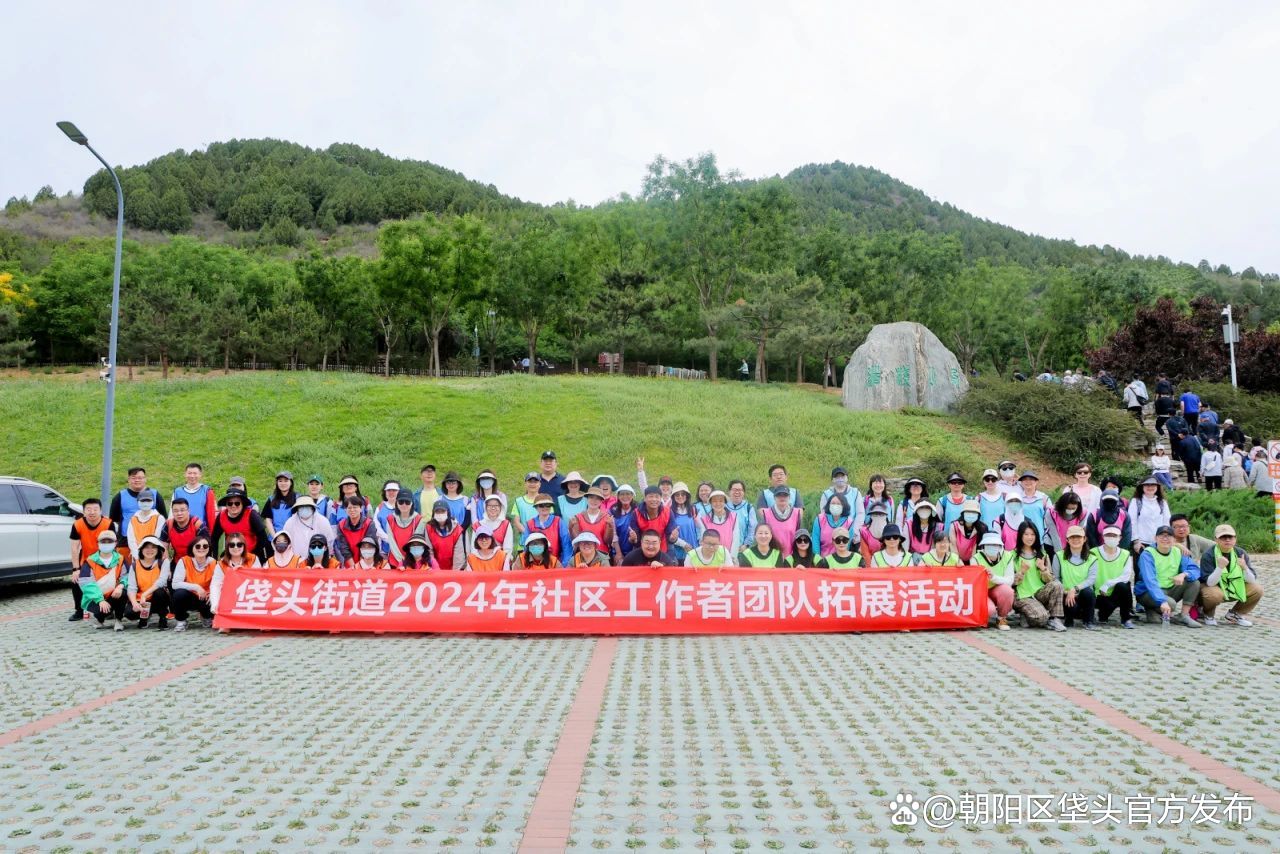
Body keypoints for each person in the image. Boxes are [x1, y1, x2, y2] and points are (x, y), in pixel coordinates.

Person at [1196, 524, 1263, 627]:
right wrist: (1220, 568)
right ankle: (1208, 615)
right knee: (1214, 595)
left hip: (1233, 587)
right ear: (1216, 539)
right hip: (1213, 587)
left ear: (1235, 539)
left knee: (1257, 589)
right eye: (1223, 537)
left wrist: (1245, 567)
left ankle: (1235, 614)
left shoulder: (1240, 553)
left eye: (1230, 537)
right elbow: (1209, 583)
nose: (1227, 540)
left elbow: (1252, 580)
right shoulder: (1209, 555)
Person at [1134, 525, 1201, 626]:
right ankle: (1152, 609)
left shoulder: (1178, 552)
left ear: (1174, 540)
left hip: (1170, 589)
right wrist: (1162, 601)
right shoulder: (1147, 554)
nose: (1165, 538)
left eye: (1169, 536)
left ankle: (1183, 615)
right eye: (1161, 535)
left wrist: (1184, 574)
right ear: (1155, 538)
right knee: (1171, 604)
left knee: (1194, 582)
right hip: (1148, 591)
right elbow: (1150, 581)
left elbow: (1195, 570)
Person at [1010, 522, 1066, 631]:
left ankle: (1055, 619)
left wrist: (1043, 568)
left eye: (1033, 534)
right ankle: (1027, 614)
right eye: (1026, 534)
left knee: (1057, 585)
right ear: (1020, 535)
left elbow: (1050, 580)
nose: (1030, 537)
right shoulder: (1012, 555)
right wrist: (1021, 572)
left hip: (1039, 593)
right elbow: (1011, 582)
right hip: (1022, 595)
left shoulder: (1042, 554)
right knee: (1041, 617)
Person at [68, 498, 117, 621]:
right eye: (88, 509)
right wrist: (75, 569)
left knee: (109, 581)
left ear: (100, 511)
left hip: (104, 559)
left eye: (95, 509)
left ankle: (109, 609)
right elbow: (74, 547)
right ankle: (79, 610)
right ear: (84, 511)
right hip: (86, 559)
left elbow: (113, 545)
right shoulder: (77, 524)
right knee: (76, 581)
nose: (92, 512)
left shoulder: (108, 524)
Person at [109, 467, 167, 559]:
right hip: (125, 540)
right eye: (133, 478)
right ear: (128, 479)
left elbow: (164, 518)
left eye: (140, 478)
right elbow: (113, 519)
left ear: (145, 479)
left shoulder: (155, 494)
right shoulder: (120, 496)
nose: (137, 480)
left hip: (151, 541)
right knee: (125, 566)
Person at [80, 530, 129, 630]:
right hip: (96, 598)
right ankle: (99, 619)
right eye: (103, 541)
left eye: (109, 541)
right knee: (100, 610)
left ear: (115, 543)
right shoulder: (90, 561)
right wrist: (100, 600)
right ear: (98, 543)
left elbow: (127, 576)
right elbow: (86, 583)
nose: (106, 544)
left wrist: (120, 586)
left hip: (114, 594)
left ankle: (118, 620)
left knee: (123, 593)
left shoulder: (121, 559)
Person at [1053, 526, 1098, 630]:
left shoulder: (1092, 558)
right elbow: (1056, 578)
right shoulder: (1058, 556)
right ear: (1067, 540)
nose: (1076, 540)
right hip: (1066, 595)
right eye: (1072, 537)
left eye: (1079, 537)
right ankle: (1068, 620)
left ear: (1084, 539)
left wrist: (1075, 589)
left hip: (1082, 594)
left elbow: (1091, 579)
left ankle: (1088, 621)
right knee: (1070, 604)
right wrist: (1065, 591)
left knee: (1089, 592)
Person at [1092, 525, 1135, 628]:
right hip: (1098, 593)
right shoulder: (1093, 552)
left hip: (1115, 592)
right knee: (1103, 611)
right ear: (1103, 536)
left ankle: (1126, 619)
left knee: (1124, 586)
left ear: (1120, 538)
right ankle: (1100, 614)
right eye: (1108, 535)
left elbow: (1126, 576)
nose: (1111, 538)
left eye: (1114, 535)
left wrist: (1107, 584)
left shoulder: (1125, 554)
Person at [171, 534, 217, 631]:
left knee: (214, 599)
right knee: (179, 594)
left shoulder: (214, 563)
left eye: (205, 546)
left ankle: (207, 617)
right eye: (198, 546)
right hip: (189, 596)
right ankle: (181, 620)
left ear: (209, 548)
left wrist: (213, 594)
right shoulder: (184, 561)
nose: (201, 548)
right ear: (192, 548)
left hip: (205, 597)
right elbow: (175, 584)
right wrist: (196, 587)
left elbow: (218, 583)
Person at [211, 488, 270, 562]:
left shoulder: (252, 515)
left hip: (253, 554)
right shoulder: (221, 517)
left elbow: (263, 539)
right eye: (230, 503)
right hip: (231, 554)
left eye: (237, 503)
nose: (233, 506)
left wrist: (253, 556)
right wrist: (214, 559)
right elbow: (214, 538)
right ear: (226, 505)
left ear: (242, 504)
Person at [126, 535, 171, 630]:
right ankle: (144, 617)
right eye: (146, 547)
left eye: (153, 547)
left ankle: (163, 617)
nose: (150, 550)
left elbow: (161, 581)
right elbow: (131, 587)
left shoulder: (164, 562)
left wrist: (145, 594)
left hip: (156, 597)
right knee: (130, 613)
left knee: (159, 592)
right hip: (141, 599)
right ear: (141, 549)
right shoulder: (135, 565)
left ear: (158, 549)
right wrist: (134, 603)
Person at [208, 533, 259, 614]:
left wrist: (243, 573)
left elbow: (258, 580)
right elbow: (215, 585)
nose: (236, 547)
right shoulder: (221, 564)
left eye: (239, 545)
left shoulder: (253, 558)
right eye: (232, 545)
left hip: (249, 596)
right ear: (227, 547)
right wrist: (215, 604)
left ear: (244, 546)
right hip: (230, 597)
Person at [570, 488, 616, 559]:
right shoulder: (578, 517)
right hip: (583, 556)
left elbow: (607, 541)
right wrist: (570, 528)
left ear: (601, 501)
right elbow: (576, 540)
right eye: (591, 497)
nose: (594, 501)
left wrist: (610, 527)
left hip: (602, 556)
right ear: (587, 499)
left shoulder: (607, 517)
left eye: (597, 499)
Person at [334, 495, 381, 565]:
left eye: (355, 507)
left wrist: (361, 566)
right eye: (349, 508)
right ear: (345, 510)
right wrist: (353, 566)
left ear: (361, 508)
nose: (352, 510)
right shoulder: (341, 525)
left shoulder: (369, 524)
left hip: (367, 561)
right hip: (349, 563)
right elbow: (344, 548)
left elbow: (369, 545)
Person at [383, 489, 425, 568]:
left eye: (407, 502)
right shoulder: (390, 519)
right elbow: (392, 543)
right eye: (401, 502)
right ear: (396, 503)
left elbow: (415, 542)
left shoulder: (419, 520)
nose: (404, 505)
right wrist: (401, 561)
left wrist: (407, 562)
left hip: (412, 562)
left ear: (412, 503)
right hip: (394, 561)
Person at [161, 497, 209, 564]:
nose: (179, 513)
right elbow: (163, 547)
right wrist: (166, 564)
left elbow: (206, 548)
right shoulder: (168, 524)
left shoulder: (198, 525)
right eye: (176, 511)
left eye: (182, 510)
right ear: (172, 512)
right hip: (177, 561)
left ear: (188, 511)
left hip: (196, 562)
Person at [760, 486, 803, 558]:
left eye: (785, 495)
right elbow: (762, 537)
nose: (782, 498)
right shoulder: (766, 514)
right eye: (779, 495)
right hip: (772, 557)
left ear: (789, 497)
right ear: (774, 498)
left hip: (791, 557)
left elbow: (799, 536)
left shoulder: (796, 513)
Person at [1129, 476, 1171, 550]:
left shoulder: (1162, 502)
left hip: (1159, 542)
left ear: (1157, 487)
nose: (1150, 487)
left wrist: (1165, 538)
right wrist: (1136, 540)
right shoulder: (1136, 501)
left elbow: (1167, 521)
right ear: (1142, 487)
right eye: (1147, 485)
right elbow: (1132, 521)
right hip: (1141, 543)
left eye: (1153, 485)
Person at [697, 490, 742, 557]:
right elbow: (704, 541)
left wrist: (732, 557)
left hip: (729, 556)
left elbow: (736, 539)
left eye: (721, 501)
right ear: (711, 503)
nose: (718, 504)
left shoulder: (733, 517)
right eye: (714, 501)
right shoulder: (704, 520)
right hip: (711, 557)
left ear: (725, 502)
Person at [172, 463, 217, 529]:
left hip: (201, 530)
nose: (192, 476)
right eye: (189, 473)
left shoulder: (207, 491)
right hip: (181, 530)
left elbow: (212, 514)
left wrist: (211, 532)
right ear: (185, 474)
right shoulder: (177, 491)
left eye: (195, 473)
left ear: (200, 474)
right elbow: (172, 514)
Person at [631, 486, 675, 553]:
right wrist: (634, 539)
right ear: (645, 499)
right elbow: (635, 539)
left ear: (661, 498)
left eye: (657, 497)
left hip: (662, 549)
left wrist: (673, 538)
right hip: (642, 549)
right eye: (651, 496)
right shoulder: (636, 513)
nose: (654, 499)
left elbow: (670, 536)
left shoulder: (668, 512)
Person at [426, 499, 467, 570]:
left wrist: (454, 573)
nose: (440, 514)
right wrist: (434, 570)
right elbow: (429, 551)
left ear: (448, 512)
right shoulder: (429, 528)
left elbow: (458, 554)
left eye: (442, 511)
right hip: (435, 568)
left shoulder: (457, 529)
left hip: (453, 568)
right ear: (433, 513)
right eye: (437, 512)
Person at [125, 491, 167, 559]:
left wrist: (149, 553)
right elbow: (131, 539)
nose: (145, 503)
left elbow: (157, 538)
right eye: (143, 501)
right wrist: (137, 555)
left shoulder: (159, 518)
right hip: (137, 556)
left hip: (153, 555)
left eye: (148, 500)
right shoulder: (133, 519)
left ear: (153, 502)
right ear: (138, 502)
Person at [812, 493, 856, 557]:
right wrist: (817, 559)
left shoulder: (849, 522)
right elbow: (815, 541)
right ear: (829, 505)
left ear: (844, 506)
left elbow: (847, 545)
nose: (835, 506)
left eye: (838, 504)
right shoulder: (820, 519)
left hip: (840, 559)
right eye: (833, 503)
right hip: (822, 558)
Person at [1044, 491, 1086, 555]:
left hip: (1072, 544)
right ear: (1062, 506)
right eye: (1068, 508)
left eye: (1073, 508)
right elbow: (1054, 534)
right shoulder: (1051, 512)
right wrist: (1060, 554)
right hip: (1052, 544)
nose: (1070, 510)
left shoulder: (1082, 513)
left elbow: (1078, 533)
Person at [668, 483, 700, 562]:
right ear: (673, 497)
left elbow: (699, 527)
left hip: (694, 549)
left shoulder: (693, 509)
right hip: (679, 552)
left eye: (683, 494)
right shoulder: (669, 512)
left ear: (687, 496)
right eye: (677, 495)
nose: (680, 496)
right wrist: (684, 544)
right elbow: (669, 534)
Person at [261, 471, 298, 537]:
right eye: (280, 481)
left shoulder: (298, 498)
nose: (283, 483)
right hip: (274, 537)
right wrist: (275, 537)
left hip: (293, 537)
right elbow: (268, 519)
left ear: (291, 483)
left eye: (286, 481)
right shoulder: (271, 499)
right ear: (277, 483)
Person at [610, 484, 640, 563]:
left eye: (628, 494)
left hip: (635, 549)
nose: (625, 496)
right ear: (618, 496)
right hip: (618, 548)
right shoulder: (613, 510)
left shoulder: (638, 509)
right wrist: (618, 553)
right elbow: (614, 534)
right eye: (622, 494)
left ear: (632, 495)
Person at [725, 480, 758, 548]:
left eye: (740, 490)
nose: (737, 492)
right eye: (734, 490)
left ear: (744, 492)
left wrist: (746, 545)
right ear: (729, 492)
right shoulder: (723, 507)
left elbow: (753, 528)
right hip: (725, 547)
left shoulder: (748, 508)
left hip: (742, 548)